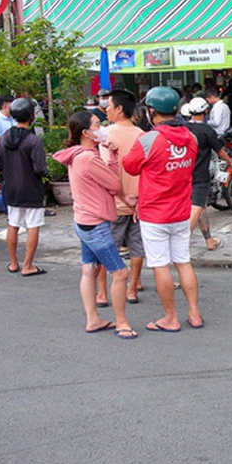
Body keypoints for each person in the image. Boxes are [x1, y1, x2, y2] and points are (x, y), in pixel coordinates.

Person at [122, 86, 204, 333]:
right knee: (183, 262)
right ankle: (195, 313)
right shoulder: (191, 137)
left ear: (151, 111)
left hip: (155, 212)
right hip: (181, 210)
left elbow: (130, 166)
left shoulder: (148, 139)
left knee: (160, 265)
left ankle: (171, 318)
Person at [53, 110, 137, 339]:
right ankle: (122, 323)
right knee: (120, 272)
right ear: (85, 132)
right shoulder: (89, 157)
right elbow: (112, 183)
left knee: (89, 270)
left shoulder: (77, 154)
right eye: (98, 124)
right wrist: (113, 158)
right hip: (95, 224)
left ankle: (93, 319)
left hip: (82, 220)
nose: (102, 128)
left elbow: (107, 183)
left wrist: (108, 157)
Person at [102, 88, 146, 303]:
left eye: (108, 106)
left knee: (106, 247)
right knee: (138, 247)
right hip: (139, 203)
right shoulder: (142, 136)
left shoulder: (107, 135)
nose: (106, 109)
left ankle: (102, 292)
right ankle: (132, 289)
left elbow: (104, 172)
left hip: (114, 203)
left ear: (119, 109)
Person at [0, 98, 48, 276]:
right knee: (33, 226)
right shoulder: (33, 140)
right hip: (31, 188)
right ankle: (28, 265)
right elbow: (40, 168)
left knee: (13, 224)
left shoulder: (4, 138)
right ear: (31, 115)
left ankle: (13, 263)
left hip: (11, 187)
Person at [186, 97, 232, 250]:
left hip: (182, 175)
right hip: (200, 177)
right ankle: (181, 242)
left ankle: (209, 240)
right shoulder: (207, 131)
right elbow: (220, 151)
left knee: (202, 208)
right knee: (198, 207)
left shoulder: (182, 128)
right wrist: (230, 163)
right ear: (205, 111)